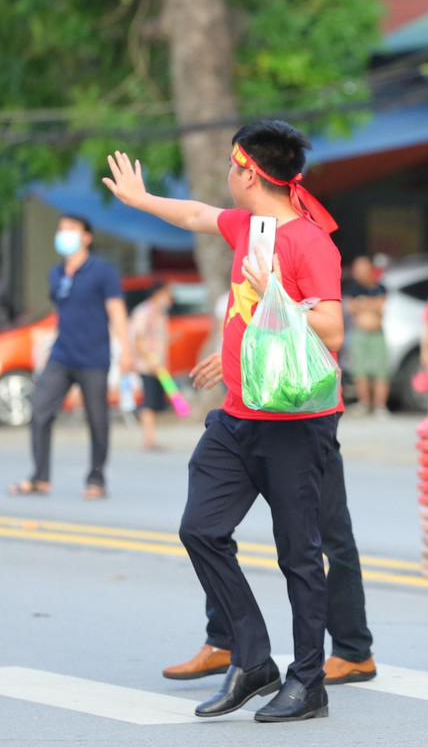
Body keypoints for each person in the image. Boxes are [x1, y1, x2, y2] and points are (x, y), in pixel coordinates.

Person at [103, 119, 344, 722]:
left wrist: (277, 297)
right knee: (200, 529)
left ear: (249, 173)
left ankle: (308, 680)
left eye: (231, 168)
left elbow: (334, 331)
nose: (225, 178)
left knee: (298, 554)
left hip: (296, 421)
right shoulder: (249, 224)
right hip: (238, 415)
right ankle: (252, 655)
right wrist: (141, 199)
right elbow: (195, 216)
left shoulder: (309, 242)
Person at [163, 350, 377, 687]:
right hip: (248, 407)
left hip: (298, 406)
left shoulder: (290, 295)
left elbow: (323, 327)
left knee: (324, 533)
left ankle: (353, 649)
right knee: (210, 528)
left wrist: (248, 352)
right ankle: (224, 639)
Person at [8, 216, 131, 499]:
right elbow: (61, 314)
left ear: (86, 237)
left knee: (97, 418)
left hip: (94, 357)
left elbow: (116, 311)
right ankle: (40, 477)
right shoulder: (57, 273)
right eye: (61, 228)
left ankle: (96, 479)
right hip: (61, 355)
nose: (63, 234)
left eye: (70, 229)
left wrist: (125, 350)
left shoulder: (103, 272)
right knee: (39, 411)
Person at [343, 256, 390, 418]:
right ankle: (364, 403)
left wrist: (362, 303)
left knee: (381, 370)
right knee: (359, 370)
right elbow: (350, 307)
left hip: (377, 333)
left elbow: (381, 306)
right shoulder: (353, 287)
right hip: (359, 333)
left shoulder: (381, 286)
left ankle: (380, 405)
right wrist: (370, 304)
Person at [129, 282, 173, 451]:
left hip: (158, 366)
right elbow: (138, 338)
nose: (170, 298)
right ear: (158, 293)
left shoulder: (160, 314)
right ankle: (148, 438)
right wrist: (150, 359)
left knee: (154, 401)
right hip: (146, 365)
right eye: (167, 293)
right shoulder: (144, 312)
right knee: (148, 401)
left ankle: (151, 436)